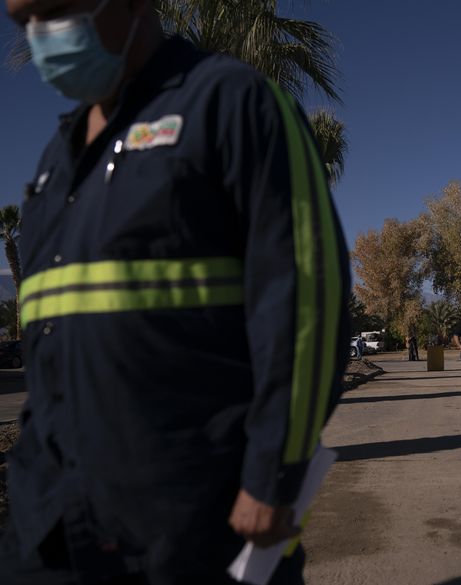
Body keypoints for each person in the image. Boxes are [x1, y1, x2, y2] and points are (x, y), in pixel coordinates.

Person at [1, 1, 351, 583]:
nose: (42, 37)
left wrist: (276, 474)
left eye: (58, 12)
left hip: (193, 519)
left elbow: (306, 298)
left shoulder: (232, 103)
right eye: (25, 24)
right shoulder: (55, 163)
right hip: (52, 520)